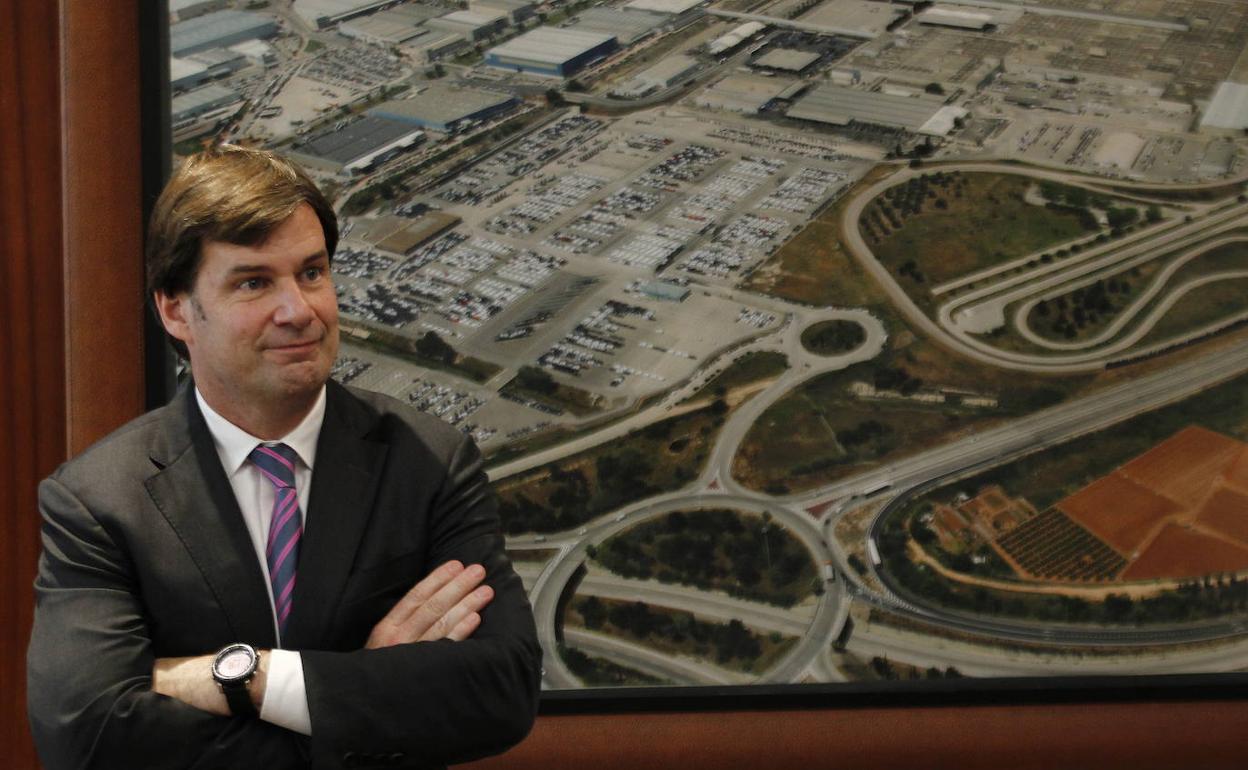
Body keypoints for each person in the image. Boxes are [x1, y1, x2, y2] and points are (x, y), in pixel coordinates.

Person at [27, 146, 542, 769]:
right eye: (254, 282)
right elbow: (86, 737)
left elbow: (502, 691)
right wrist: (364, 686)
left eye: (312, 272)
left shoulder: (429, 461)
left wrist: (249, 678)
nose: (299, 310)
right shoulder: (100, 501)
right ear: (176, 310)